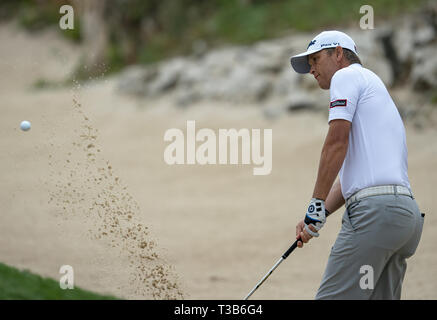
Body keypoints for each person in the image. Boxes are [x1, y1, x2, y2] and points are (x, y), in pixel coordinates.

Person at [290, 30, 424, 299]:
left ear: (338, 53)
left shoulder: (346, 76)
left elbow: (336, 142)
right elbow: (353, 179)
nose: (312, 69)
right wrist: (318, 215)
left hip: (375, 216)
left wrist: (315, 203)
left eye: (315, 60)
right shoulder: (375, 87)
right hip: (404, 219)